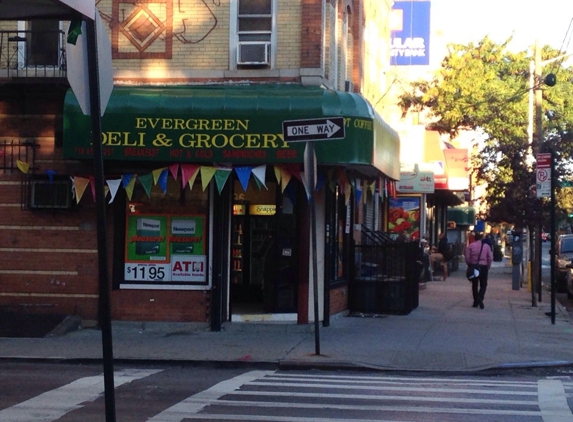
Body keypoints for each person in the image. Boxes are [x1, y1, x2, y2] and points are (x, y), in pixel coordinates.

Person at [465, 232, 493, 309]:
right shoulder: (486, 246)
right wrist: (488, 266)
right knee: (483, 284)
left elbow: (467, 257)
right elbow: (490, 258)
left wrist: (469, 264)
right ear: (481, 238)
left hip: (474, 266)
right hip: (483, 266)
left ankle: (475, 301)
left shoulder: (470, 246)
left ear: (475, 238)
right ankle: (480, 297)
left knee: (474, 284)